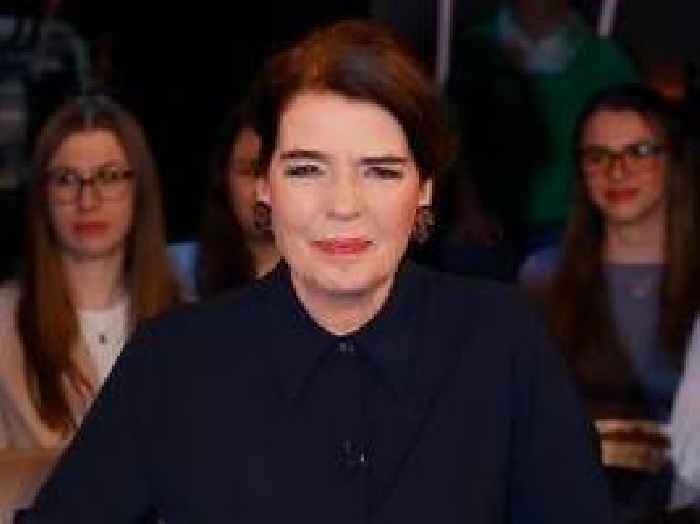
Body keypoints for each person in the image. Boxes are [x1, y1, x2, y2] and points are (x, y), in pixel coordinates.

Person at [17, 20, 611, 523]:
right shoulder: (173, 363)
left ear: (424, 189)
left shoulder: (504, 342)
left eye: (380, 170)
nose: (343, 204)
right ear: (264, 186)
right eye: (307, 169)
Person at [0, 95, 181, 516]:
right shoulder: (4, 324)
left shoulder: (191, 323)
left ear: (139, 191)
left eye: (109, 176)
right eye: (67, 180)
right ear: (42, 195)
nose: (88, 200)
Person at [538, 84, 700, 520]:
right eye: (598, 156)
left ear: (675, 163)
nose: (617, 171)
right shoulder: (541, 280)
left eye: (639, 152)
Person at [446, 0, 638, 272]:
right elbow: (453, 133)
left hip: (568, 225)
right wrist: (468, 210)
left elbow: (630, 146)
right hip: (486, 224)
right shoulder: (477, 49)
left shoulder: (604, 60)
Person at [168, 99, 279, 299]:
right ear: (222, 178)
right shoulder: (175, 270)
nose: (264, 188)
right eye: (249, 171)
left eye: (282, 171)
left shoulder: (333, 272)